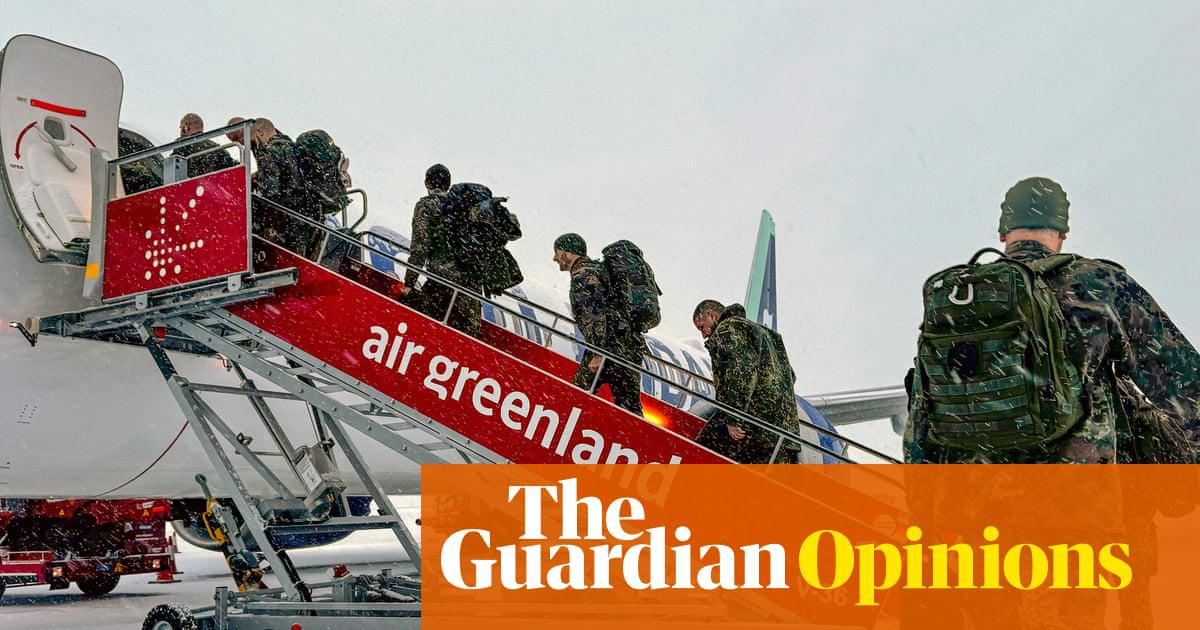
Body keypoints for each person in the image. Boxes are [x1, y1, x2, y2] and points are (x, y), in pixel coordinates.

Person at [905, 176, 1200, 465]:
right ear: (1061, 233)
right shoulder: (1100, 284)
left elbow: (922, 409)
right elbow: (1181, 383)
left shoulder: (960, 296)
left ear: (1003, 233)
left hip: (972, 498)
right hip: (1072, 497)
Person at [691, 299, 802, 463]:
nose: (704, 334)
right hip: (783, 433)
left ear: (711, 315)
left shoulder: (728, 328)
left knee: (699, 454)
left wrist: (735, 418)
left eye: (702, 326)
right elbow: (789, 376)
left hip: (754, 424)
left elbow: (743, 370)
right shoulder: (767, 335)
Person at [554, 233, 646, 416]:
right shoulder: (599, 271)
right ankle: (635, 442)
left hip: (608, 348)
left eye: (557, 252)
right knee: (630, 410)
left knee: (575, 398)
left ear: (569, 253)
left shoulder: (584, 275)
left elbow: (594, 315)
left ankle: (564, 433)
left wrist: (598, 353)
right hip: (628, 347)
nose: (555, 258)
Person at [404, 164, 482, 337]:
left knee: (416, 331)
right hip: (472, 289)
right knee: (466, 343)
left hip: (442, 281)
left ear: (427, 184)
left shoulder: (426, 206)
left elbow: (419, 248)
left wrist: (409, 283)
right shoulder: (464, 208)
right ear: (448, 184)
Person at [250, 118, 318, 258]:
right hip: (309, 212)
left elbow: (271, 192)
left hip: (288, 215)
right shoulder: (294, 148)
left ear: (259, 132)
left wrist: (265, 221)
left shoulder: (268, 152)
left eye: (253, 140)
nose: (255, 145)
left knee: (291, 258)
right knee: (303, 255)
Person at [170, 113, 236, 178]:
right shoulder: (215, 147)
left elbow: (171, 166)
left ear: (186, 126)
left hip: (192, 184)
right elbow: (231, 164)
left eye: (181, 127)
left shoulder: (182, 143)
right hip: (214, 183)